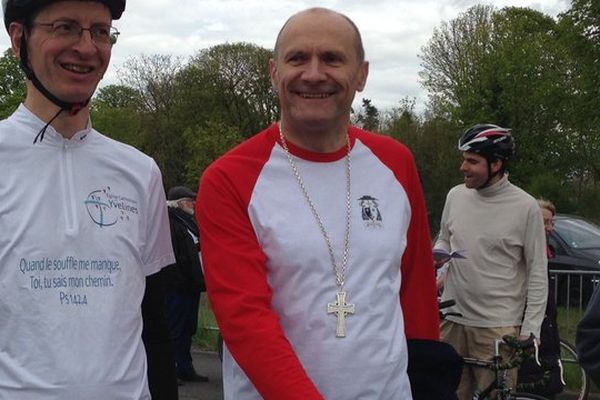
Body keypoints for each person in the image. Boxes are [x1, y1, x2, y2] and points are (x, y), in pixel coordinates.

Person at [197, 7, 445, 400]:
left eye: (332, 58)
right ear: (274, 71)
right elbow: (245, 320)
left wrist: (432, 384)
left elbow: (415, 289)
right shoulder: (229, 178)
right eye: (297, 58)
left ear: (361, 74)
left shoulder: (396, 162)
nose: (313, 74)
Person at [0, 1, 175, 399]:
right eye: (65, 27)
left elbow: (154, 321)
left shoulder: (140, 172)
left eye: (100, 31)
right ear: (18, 39)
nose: (87, 47)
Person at [434, 124, 548, 400]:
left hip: (496, 327)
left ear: (496, 164)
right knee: (443, 393)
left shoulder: (525, 207)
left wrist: (531, 330)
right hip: (452, 321)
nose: (463, 167)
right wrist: (439, 252)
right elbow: (445, 238)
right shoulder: (455, 195)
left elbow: (537, 272)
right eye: (463, 159)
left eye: (472, 161)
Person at [517, 198, 563, 399]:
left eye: (552, 222)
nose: (549, 228)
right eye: (544, 222)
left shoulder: (547, 254)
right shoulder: (524, 254)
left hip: (548, 332)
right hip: (531, 330)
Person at [164, 186, 208, 383]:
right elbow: (175, 255)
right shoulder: (171, 223)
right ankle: (170, 369)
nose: (194, 204)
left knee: (188, 327)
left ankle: (184, 367)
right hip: (178, 286)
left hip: (190, 284)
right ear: (180, 203)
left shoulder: (187, 223)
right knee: (176, 328)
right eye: (190, 200)